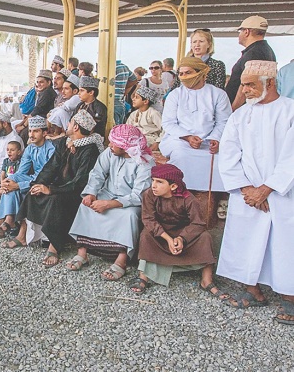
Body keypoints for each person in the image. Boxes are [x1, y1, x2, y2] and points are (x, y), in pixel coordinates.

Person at [217, 60, 294, 325]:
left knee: (285, 244)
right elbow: (228, 154)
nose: (245, 90)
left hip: (284, 192)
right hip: (247, 193)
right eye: (243, 85)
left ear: (270, 83)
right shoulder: (240, 115)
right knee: (246, 238)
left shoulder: (290, 111)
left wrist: (267, 188)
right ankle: (252, 289)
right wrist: (248, 188)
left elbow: (290, 157)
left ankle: (290, 296)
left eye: (251, 85)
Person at [12, 111, 103, 264]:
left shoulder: (90, 149)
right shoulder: (65, 143)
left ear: (76, 127)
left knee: (55, 200)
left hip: (77, 192)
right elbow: (51, 167)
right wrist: (38, 184)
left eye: (70, 122)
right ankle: (22, 236)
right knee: (32, 193)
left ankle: (54, 247)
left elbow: (80, 182)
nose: (67, 124)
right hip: (62, 187)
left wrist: (52, 190)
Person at [67, 124, 155, 281]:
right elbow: (97, 174)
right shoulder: (110, 152)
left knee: (128, 216)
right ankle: (82, 253)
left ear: (126, 146)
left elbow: (138, 195)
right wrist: (91, 193)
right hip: (107, 193)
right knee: (85, 207)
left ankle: (121, 261)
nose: (110, 145)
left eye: (114, 143)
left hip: (129, 202)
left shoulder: (145, 162)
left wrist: (109, 204)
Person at [130, 164, 224, 298]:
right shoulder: (149, 195)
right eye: (153, 180)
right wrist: (168, 239)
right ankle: (143, 277)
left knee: (205, 237)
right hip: (161, 234)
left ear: (173, 186)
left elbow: (198, 223)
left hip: (184, 233)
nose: (154, 185)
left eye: (159, 182)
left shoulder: (188, 199)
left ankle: (206, 280)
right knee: (146, 235)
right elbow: (148, 219)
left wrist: (181, 239)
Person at [160, 57, 232, 192]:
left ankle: (213, 199)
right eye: (181, 74)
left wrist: (215, 139)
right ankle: (182, 194)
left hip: (208, 141)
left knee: (220, 159)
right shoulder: (175, 95)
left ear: (202, 73)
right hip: (180, 140)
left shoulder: (218, 94)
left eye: (188, 72)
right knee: (180, 155)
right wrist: (187, 137)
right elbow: (169, 123)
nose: (184, 77)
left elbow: (224, 122)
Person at [0, 116, 54, 241]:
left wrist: (18, 185)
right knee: (10, 185)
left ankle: (3, 222)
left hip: (47, 182)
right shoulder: (30, 148)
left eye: (36, 131)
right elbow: (21, 172)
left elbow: (46, 175)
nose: (31, 134)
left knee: (13, 187)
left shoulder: (51, 149)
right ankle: (8, 221)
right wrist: (7, 182)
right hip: (32, 178)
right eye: (30, 131)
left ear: (45, 133)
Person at [224, 16, 276, 110]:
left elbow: (248, 83)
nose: (239, 35)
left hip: (245, 109)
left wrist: (233, 109)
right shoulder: (266, 50)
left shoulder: (253, 53)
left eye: (240, 31)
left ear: (246, 32)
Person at [127, 86, 163, 151]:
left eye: (137, 97)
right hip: (135, 139)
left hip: (150, 139)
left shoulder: (153, 113)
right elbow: (127, 128)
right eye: (134, 97)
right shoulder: (133, 114)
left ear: (145, 101)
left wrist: (158, 142)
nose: (133, 99)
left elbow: (164, 129)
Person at [114, 59, 137, 124]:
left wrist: (124, 91)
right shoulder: (124, 67)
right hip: (120, 103)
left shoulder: (110, 68)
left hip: (112, 103)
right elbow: (134, 80)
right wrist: (123, 91)